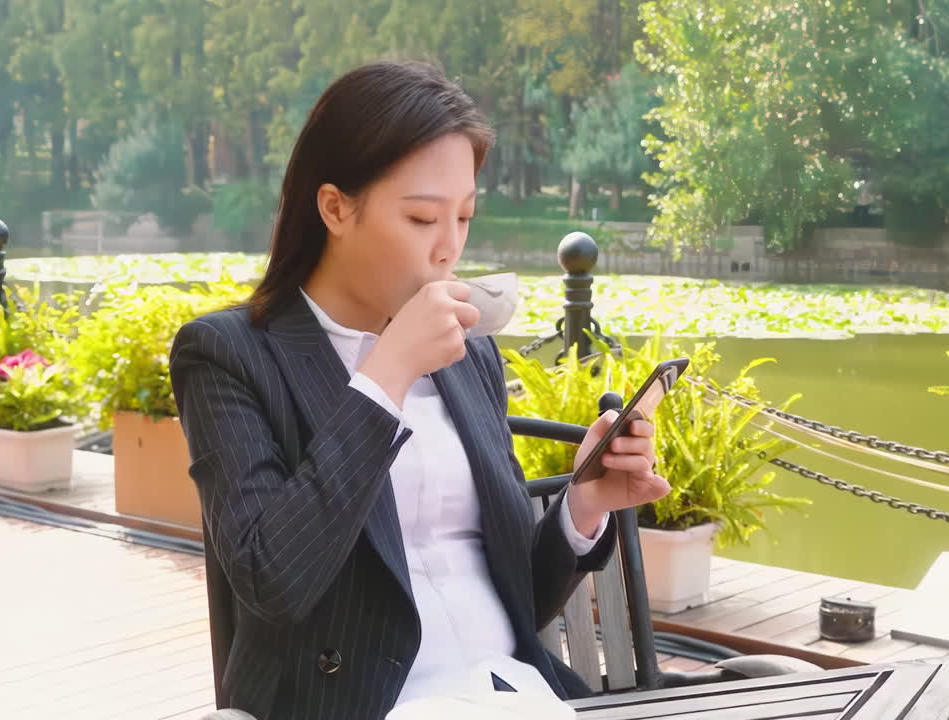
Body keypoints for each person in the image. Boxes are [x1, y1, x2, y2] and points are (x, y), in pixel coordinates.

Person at [170, 60, 671, 720]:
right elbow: (272, 581)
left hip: (509, 692)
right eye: (421, 218)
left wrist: (583, 506)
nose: (448, 249)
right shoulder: (228, 354)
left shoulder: (468, 352)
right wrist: (387, 377)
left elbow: (513, 600)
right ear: (335, 208)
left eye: (463, 217)